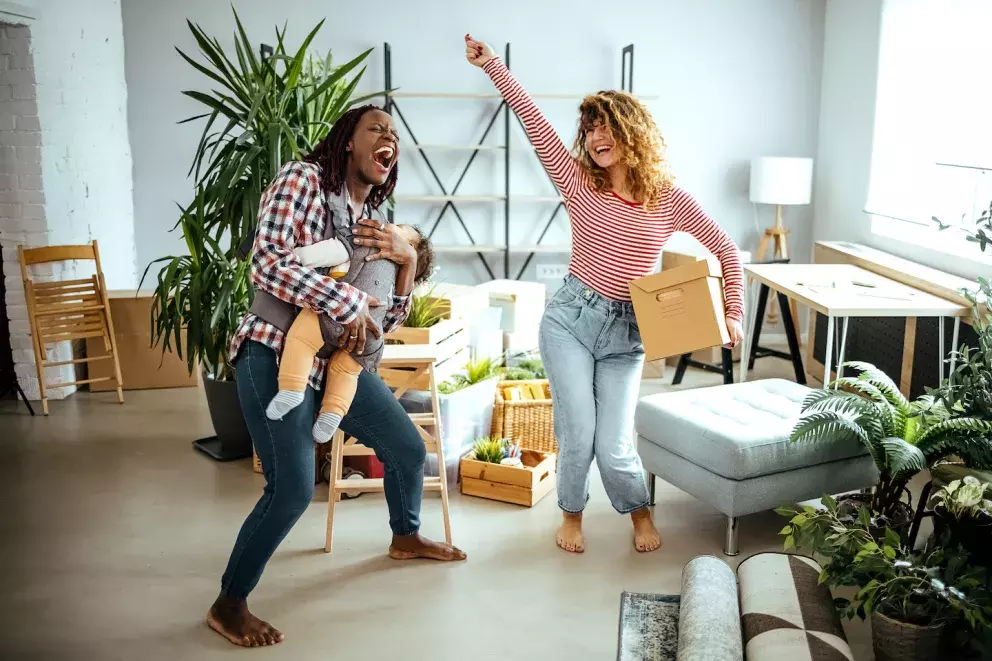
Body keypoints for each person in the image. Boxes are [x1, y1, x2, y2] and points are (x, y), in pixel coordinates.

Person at [464, 35, 745, 555]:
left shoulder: (668, 200)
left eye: (606, 126)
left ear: (632, 132)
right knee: (578, 434)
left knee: (614, 445)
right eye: (589, 128)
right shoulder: (576, 182)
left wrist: (732, 314)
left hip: (628, 334)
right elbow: (531, 118)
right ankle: (571, 515)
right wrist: (493, 66)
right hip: (570, 319)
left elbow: (727, 251)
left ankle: (638, 512)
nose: (595, 137)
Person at [207, 105, 465, 649]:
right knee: (293, 489)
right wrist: (347, 301)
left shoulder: (374, 217)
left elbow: (380, 325)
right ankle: (229, 603)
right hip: (275, 351)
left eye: (395, 134)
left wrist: (407, 265)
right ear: (348, 140)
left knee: (409, 450)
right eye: (377, 128)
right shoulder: (301, 178)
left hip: (338, 365)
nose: (388, 138)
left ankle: (405, 536)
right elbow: (267, 263)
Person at [264, 223, 436, 444]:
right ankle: (333, 413)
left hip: (333, 316)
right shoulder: (397, 281)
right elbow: (390, 321)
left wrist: (299, 257)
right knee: (346, 371)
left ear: (407, 246)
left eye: (400, 227)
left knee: (301, 340)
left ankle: (292, 387)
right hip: (370, 339)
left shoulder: (368, 240)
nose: (391, 224)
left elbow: (333, 250)